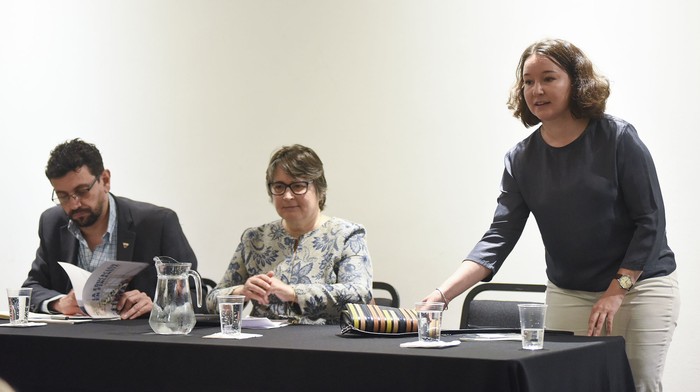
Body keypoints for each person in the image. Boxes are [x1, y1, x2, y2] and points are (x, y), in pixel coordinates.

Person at [423, 39, 679, 392]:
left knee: (636, 385)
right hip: (570, 292)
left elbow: (650, 221)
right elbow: (499, 236)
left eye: (549, 78)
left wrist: (616, 290)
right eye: (528, 81)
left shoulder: (618, 138)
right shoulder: (521, 159)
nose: (536, 90)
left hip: (638, 288)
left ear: (576, 82)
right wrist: (442, 294)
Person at [22, 139, 198, 319]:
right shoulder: (52, 222)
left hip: (136, 341)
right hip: (71, 341)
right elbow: (30, 288)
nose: (75, 204)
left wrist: (158, 306)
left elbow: (195, 296)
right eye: (63, 196)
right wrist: (59, 303)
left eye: (82, 191)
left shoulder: (157, 223)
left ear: (105, 180)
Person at [206, 144, 373, 324]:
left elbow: (359, 294)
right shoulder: (254, 238)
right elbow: (212, 300)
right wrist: (241, 292)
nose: (287, 196)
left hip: (325, 344)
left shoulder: (346, 235)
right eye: (279, 186)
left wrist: (293, 293)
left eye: (298, 186)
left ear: (320, 190)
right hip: (262, 344)